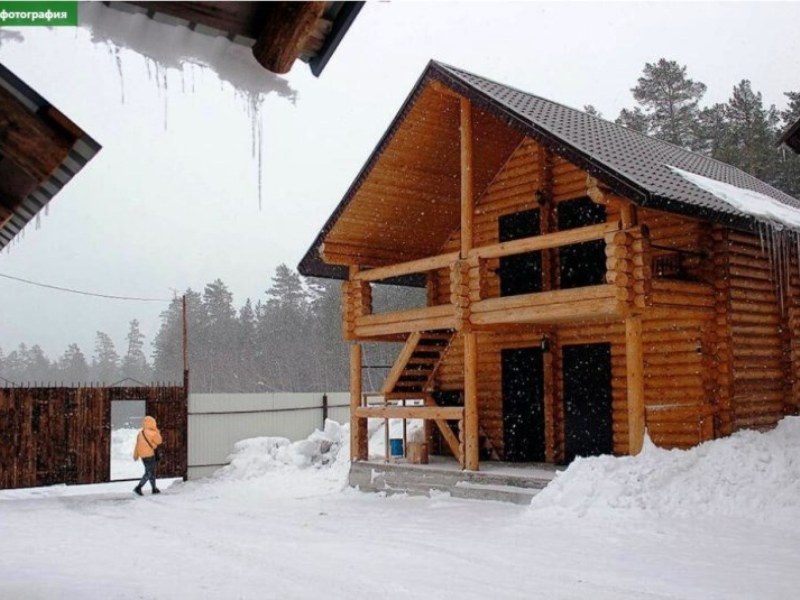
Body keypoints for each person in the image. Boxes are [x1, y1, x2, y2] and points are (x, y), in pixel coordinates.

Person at [133, 415, 163, 496]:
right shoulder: (153, 433)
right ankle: (138, 487)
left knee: (151, 471)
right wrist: (157, 431)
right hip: (150, 455)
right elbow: (159, 441)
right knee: (149, 472)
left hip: (143, 456)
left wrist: (136, 455)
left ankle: (154, 488)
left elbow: (137, 445)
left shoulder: (140, 433)